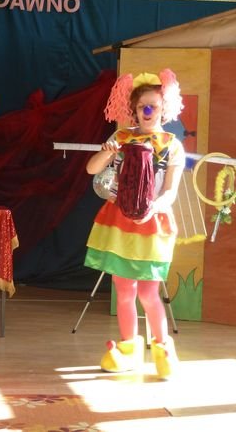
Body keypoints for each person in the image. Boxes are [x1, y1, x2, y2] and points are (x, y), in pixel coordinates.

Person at [85, 70, 185, 379]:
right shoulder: (120, 138)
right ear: (134, 109)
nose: (148, 111)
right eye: (142, 106)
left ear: (164, 108)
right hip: (120, 221)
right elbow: (92, 169)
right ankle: (128, 349)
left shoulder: (172, 145)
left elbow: (170, 191)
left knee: (148, 293)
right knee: (124, 291)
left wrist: (153, 208)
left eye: (153, 106)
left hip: (152, 223)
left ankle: (163, 349)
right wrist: (107, 152)